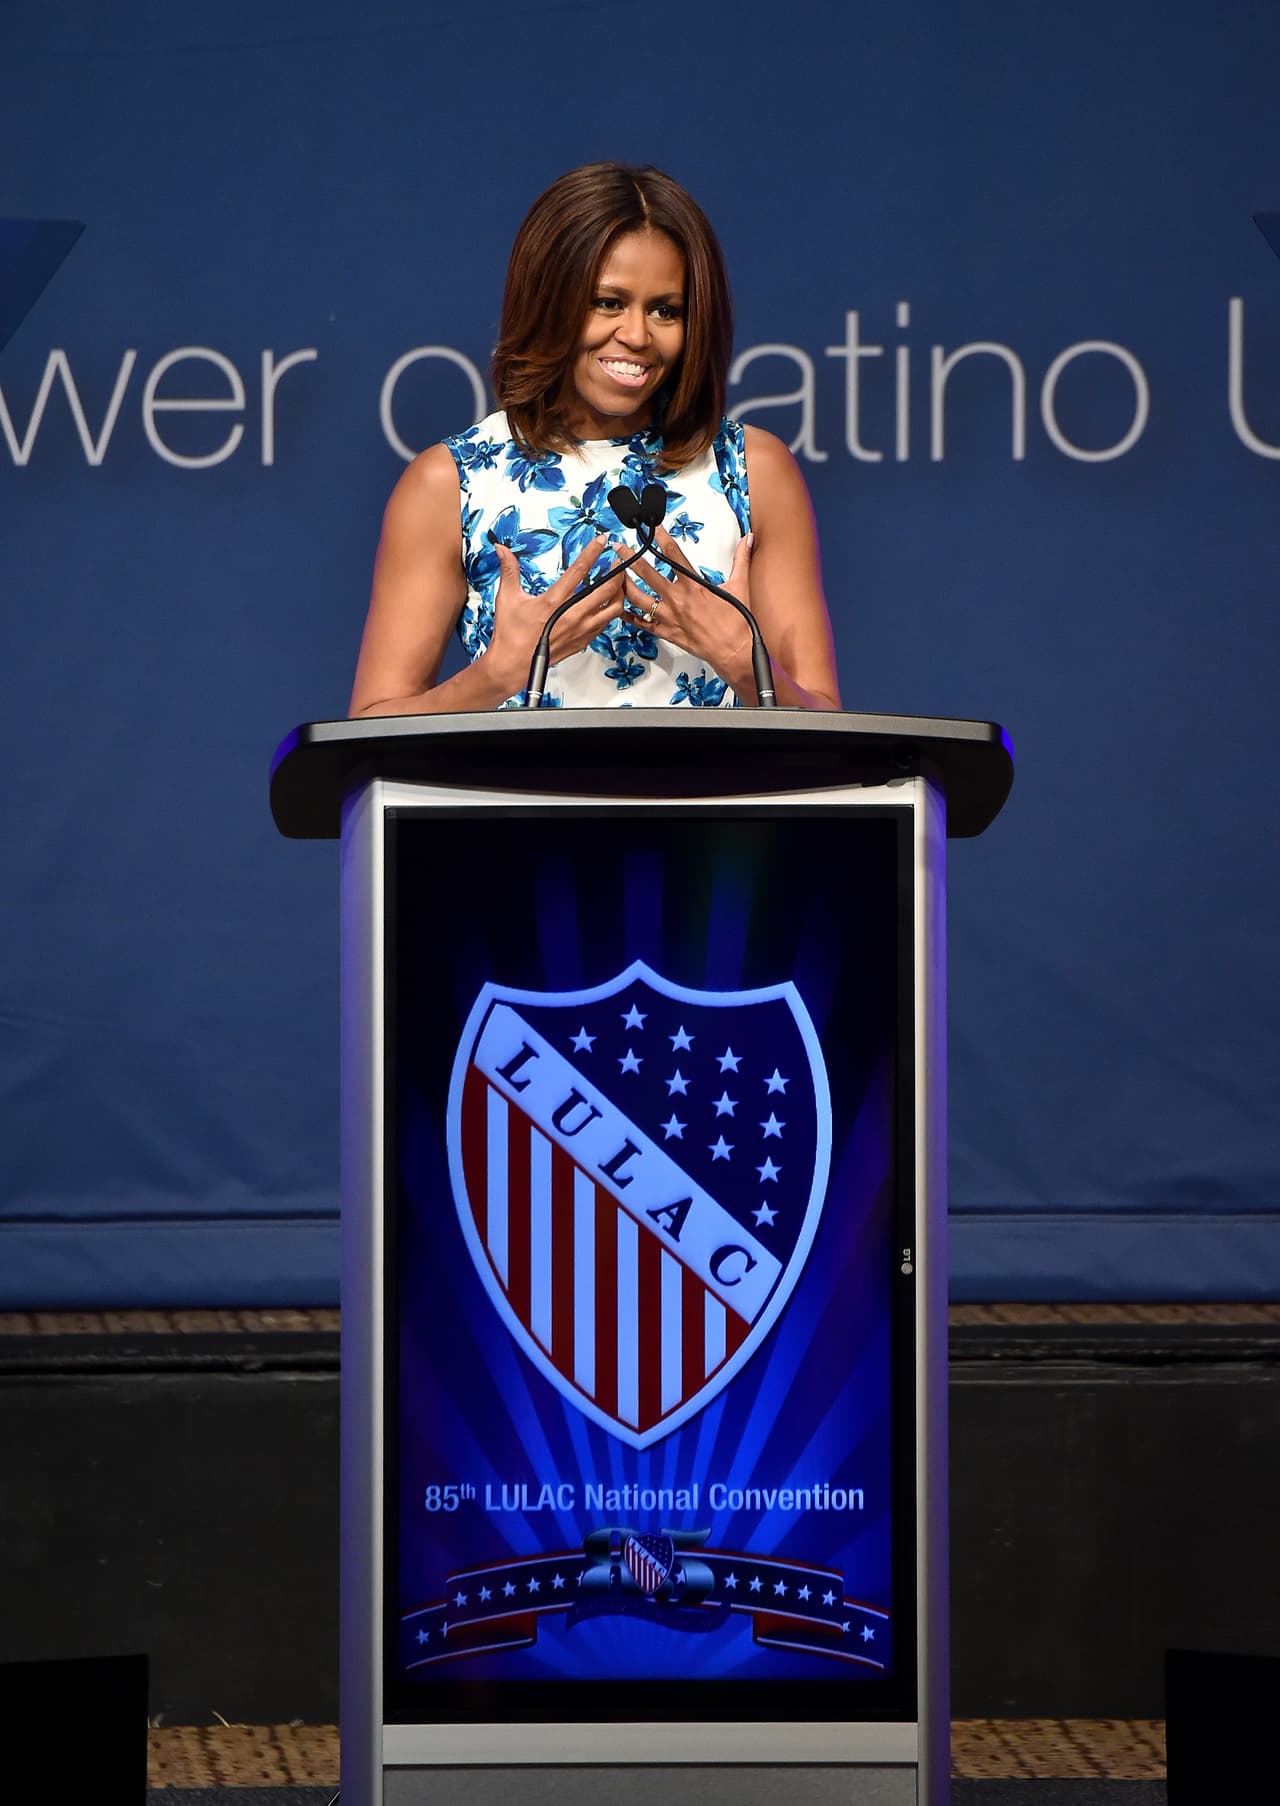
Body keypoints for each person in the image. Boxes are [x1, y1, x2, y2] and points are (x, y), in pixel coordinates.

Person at [348, 163, 840, 717]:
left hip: (711, 802)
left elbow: (826, 726)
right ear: (547, 299)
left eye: (665, 310)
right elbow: (371, 728)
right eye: (608, 302)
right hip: (518, 804)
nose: (636, 335)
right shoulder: (451, 481)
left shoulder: (754, 468)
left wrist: (740, 659)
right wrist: (495, 677)